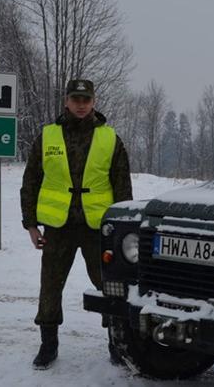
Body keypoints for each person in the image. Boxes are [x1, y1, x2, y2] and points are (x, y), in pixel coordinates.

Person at [20, 79, 132, 369]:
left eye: (86, 99)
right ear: (66, 101)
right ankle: (48, 344)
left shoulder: (109, 138)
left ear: (93, 102)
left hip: (98, 228)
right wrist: (31, 225)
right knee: (50, 286)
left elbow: (123, 187)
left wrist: (122, 230)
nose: (81, 105)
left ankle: (118, 342)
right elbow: (31, 181)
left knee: (111, 286)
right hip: (59, 227)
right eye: (75, 99)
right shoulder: (48, 136)